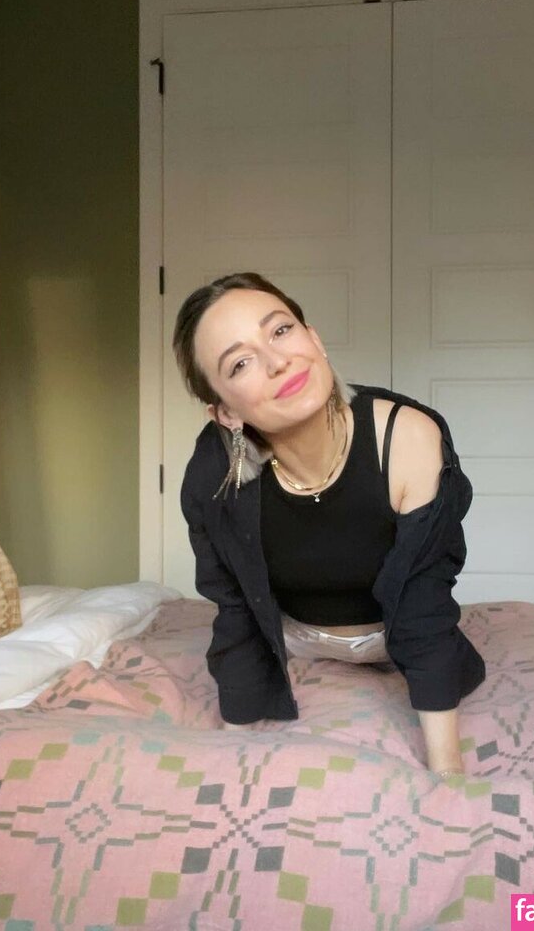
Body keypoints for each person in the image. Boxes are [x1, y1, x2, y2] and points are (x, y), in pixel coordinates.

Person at [173, 271, 485, 777]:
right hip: (293, 636)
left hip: (391, 634)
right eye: (241, 363)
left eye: (281, 330)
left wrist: (447, 774)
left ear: (314, 338)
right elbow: (237, 610)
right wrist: (232, 757)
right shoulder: (215, 472)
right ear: (225, 412)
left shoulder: (405, 438)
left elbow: (424, 604)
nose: (278, 361)